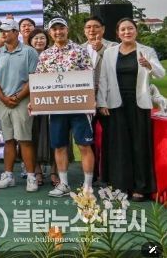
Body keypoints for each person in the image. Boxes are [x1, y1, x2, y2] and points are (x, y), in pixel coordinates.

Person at [97, 18, 165, 201]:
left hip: (139, 104)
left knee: (139, 145)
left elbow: (160, 73)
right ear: (117, 33)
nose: (127, 32)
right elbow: (103, 79)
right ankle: (120, 186)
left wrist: (149, 65)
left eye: (130, 29)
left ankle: (140, 187)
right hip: (116, 104)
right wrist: (102, 102)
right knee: (119, 146)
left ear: (136, 31)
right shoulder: (110, 53)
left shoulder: (147, 51)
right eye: (123, 29)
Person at [34, 18, 95, 197]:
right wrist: (35, 101)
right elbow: (39, 81)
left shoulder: (80, 50)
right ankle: (64, 184)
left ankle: (88, 187)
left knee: (84, 145)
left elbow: (90, 76)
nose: (58, 32)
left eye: (61, 28)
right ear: (50, 33)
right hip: (57, 109)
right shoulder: (45, 55)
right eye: (54, 29)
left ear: (67, 30)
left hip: (79, 107)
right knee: (59, 146)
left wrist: (92, 98)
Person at [0, 18, 39, 192]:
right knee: (8, 140)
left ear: (16, 32)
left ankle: (31, 176)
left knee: (24, 140)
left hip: (23, 101)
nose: (3, 34)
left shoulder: (29, 52)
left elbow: (33, 78)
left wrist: (17, 96)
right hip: (3, 102)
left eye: (7, 31)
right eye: (1, 31)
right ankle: (8, 175)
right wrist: (3, 98)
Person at [82, 15, 116, 184]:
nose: (92, 30)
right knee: (87, 138)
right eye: (88, 27)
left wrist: (101, 49)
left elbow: (116, 67)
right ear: (84, 31)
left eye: (96, 26)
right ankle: (92, 174)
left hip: (107, 100)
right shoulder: (79, 49)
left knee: (110, 138)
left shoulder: (113, 47)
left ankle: (109, 175)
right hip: (85, 100)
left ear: (103, 29)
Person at [28, 28, 54, 187]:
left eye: (42, 38)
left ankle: (54, 172)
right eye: (36, 38)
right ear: (30, 41)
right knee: (34, 136)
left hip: (53, 102)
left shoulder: (54, 54)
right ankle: (37, 171)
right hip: (31, 102)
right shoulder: (26, 55)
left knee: (54, 137)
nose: (39, 41)